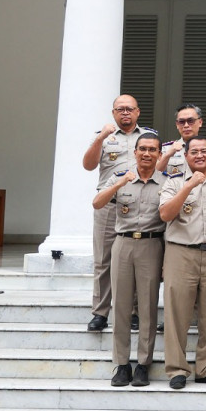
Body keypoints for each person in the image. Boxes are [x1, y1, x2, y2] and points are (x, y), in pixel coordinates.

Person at [158, 136, 206, 389]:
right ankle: (177, 369)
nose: (200, 156)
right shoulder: (174, 181)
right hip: (181, 252)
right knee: (177, 314)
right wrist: (188, 187)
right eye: (194, 152)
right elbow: (166, 214)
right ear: (186, 156)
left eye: (204, 151)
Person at [93, 133, 164, 387]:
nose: (147, 154)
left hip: (152, 244)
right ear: (134, 152)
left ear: (159, 154)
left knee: (147, 307)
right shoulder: (120, 176)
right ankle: (121, 364)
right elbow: (98, 202)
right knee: (121, 306)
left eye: (152, 150)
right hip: (122, 243)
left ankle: (144, 364)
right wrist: (119, 183)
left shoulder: (166, 182)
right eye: (142, 149)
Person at [81, 94, 155, 332]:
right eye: (120, 109)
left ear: (137, 112)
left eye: (129, 109)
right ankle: (100, 313)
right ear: (113, 112)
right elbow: (89, 165)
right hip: (109, 205)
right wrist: (102, 137)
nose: (125, 113)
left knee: (134, 258)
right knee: (103, 260)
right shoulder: (104, 137)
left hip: (138, 205)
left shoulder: (147, 138)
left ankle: (133, 312)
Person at [158, 104, 206, 177]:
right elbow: (155, 175)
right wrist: (168, 155)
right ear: (177, 124)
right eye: (181, 122)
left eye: (190, 121)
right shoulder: (166, 149)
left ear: (200, 122)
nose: (186, 125)